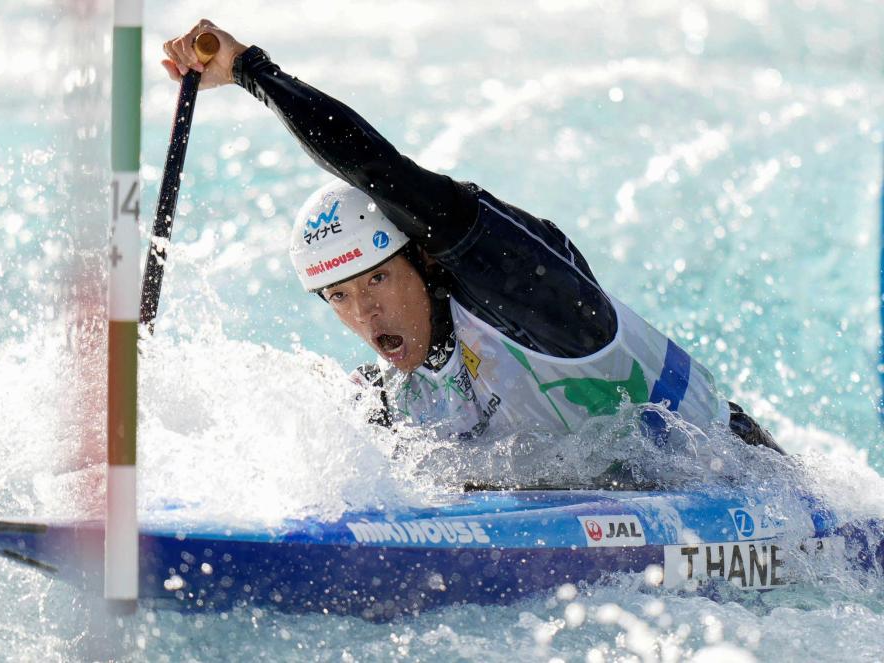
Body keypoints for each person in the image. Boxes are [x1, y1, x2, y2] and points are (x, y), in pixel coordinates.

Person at [162, 20, 784, 455]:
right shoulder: (404, 397)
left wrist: (249, 71)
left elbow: (380, 168)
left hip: (756, 500)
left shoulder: (534, 300)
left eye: (377, 278)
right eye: (339, 296)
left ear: (427, 259)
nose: (365, 311)